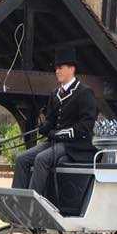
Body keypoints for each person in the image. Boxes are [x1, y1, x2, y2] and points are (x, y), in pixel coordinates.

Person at [12, 47, 97, 196]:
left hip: (74, 145)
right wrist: (44, 127)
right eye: (56, 68)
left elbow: (86, 125)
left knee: (41, 159)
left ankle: (32, 202)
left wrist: (58, 134)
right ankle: (17, 200)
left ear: (71, 69)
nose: (57, 71)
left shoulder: (84, 92)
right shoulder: (55, 94)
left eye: (60, 68)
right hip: (54, 143)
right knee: (21, 159)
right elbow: (51, 120)